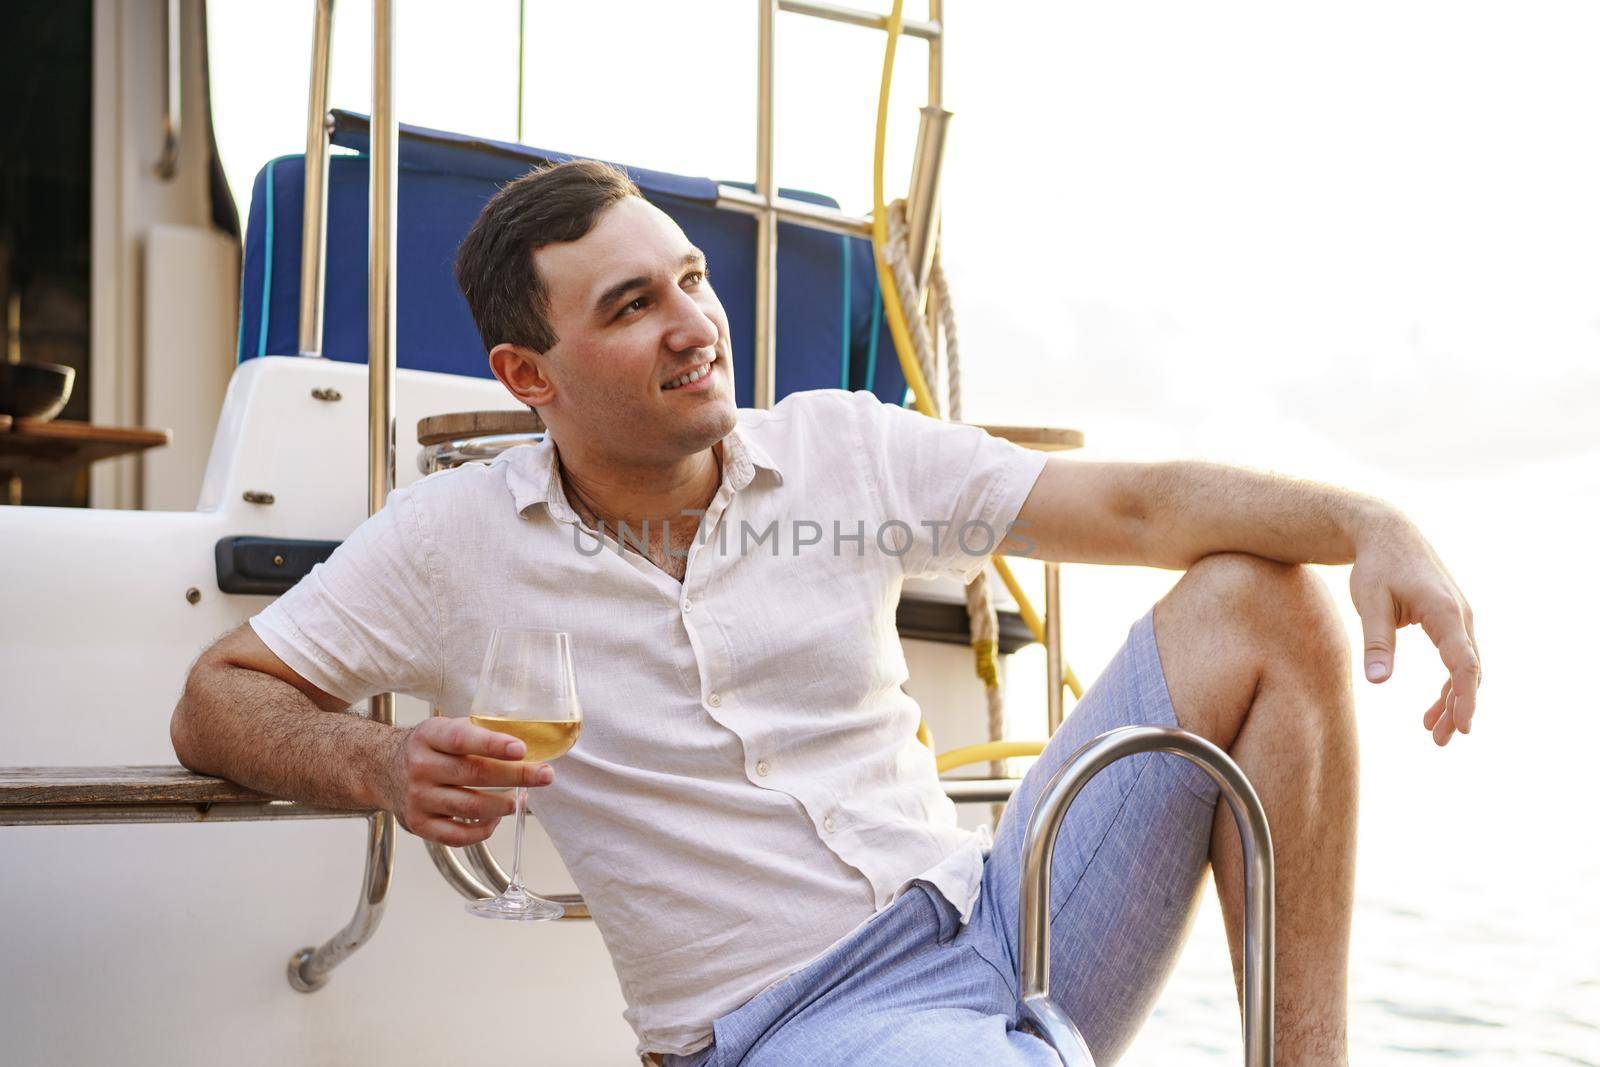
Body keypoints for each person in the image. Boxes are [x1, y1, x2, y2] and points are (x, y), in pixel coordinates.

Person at [170, 160, 1481, 1066]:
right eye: (635, 307)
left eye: (690, 278)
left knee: (1263, 599)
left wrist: (1375, 524)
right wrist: (379, 759)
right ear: (529, 376)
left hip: (1003, 911)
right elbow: (216, 697)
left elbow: (1136, 510)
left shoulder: (842, 449)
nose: (696, 324)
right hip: (784, 1026)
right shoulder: (454, 541)